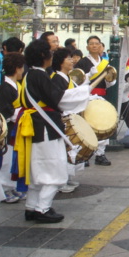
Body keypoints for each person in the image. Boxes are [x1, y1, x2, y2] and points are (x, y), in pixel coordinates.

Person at [16, 39, 90, 223]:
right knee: (54, 168)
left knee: (38, 168)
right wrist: (84, 91)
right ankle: (43, 208)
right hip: (45, 127)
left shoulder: (29, 75)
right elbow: (57, 99)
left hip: (36, 126)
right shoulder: (40, 75)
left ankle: (31, 207)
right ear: (43, 55)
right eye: (50, 52)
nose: (52, 55)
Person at [76, 36, 117, 166]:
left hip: (101, 97)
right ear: (87, 47)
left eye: (96, 44)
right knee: (87, 126)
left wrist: (110, 80)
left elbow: (109, 83)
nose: (94, 46)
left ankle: (100, 154)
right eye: (91, 44)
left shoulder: (105, 63)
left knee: (101, 124)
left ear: (100, 46)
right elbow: (77, 82)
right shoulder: (82, 63)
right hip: (87, 98)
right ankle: (85, 154)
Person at [0, 52, 26, 203]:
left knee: (13, 159)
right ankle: (3, 188)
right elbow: (2, 111)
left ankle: (10, 186)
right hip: (7, 129)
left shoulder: (16, 85)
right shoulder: (5, 87)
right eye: (22, 67)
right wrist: (19, 113)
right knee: (7, 160)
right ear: (18, 68)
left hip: (15, 127)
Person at [51, 47, 85, 193]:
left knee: (69, 149)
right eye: (68, 59)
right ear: (60, 62)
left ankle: (67, 177)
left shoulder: (68, 77)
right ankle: (60, 181)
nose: (72, 61)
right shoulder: (56, 79)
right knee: (62, 151)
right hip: (62, 119)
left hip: (70, 118)